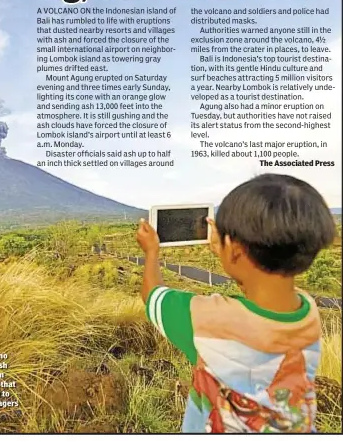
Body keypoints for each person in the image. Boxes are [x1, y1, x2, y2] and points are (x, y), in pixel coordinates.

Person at [136, 174, 336, 433]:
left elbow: (152, 295)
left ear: (236, 250)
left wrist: (152, 252)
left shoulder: (208, 319)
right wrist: (232, 255)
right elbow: (263, 285)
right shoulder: (307, 311)